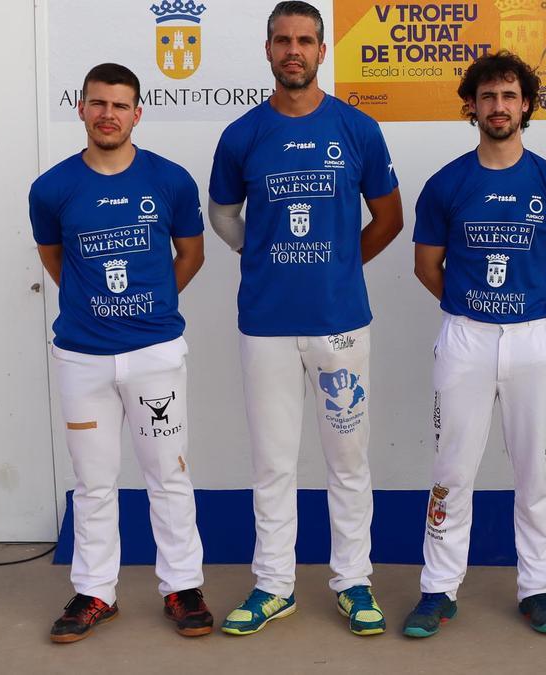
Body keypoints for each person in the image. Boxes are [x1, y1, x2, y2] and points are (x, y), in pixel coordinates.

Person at [207, 0, 403, 636]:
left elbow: (390, 218)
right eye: (283, 40)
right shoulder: (241, 135)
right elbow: (223, 217)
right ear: (267, 50)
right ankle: (274, 584)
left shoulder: (357, 129)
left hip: (340, 322)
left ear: (323, 51)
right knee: (273, 462)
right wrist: (256, 256)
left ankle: (353, 581)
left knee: (348, 460)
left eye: (306, 40)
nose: (294, 50)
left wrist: (343, 265)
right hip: (265, 324)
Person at [30, 62, 210, 643]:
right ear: (81, 108)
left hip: (155, 352)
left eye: (120, 104)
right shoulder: (52, 188)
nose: (109, 114)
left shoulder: (171, 181)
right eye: (98, 103)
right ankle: (94, 591)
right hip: (82, 357)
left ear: (138, 112)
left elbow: (191, 254)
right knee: (94, 482)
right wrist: (96, 308)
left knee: (169, 474)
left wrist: (148, 305)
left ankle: (182, 587)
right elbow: (56, 261)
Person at [404, 51, 546, 638]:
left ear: (526, 104)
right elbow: (428, 266)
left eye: (509, 95)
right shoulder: (447, 183)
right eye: (488, 97)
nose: (499, 106)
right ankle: (437, 590)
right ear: (472, 107)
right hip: (465, 339)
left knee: (535, 473)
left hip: (533, 341)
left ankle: (537, 589)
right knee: (451, 472)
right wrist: (472, 310)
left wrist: (528, 312)